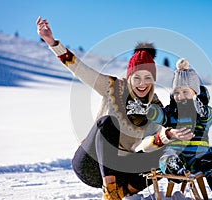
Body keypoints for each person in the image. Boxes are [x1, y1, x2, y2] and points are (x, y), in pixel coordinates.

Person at [36, 16, 194, 200]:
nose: (142, 84)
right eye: (137, 77)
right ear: (129, 77)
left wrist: (168, 136)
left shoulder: (155, 107)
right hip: (90, 162)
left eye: (147, 78)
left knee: (163, 155)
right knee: (108, 122)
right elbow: (81, 70)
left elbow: (148, 143)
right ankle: (111, 192)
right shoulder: (113, 87)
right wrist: (53, 43)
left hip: (122, 167)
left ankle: (124, 191)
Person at [146, 58, 212, 200]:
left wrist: (203, 111)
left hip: (200, 156)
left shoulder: (202, 113)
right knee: (166, 157)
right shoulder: (171, 112)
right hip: (177, 153)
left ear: (195, 93)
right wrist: (148, 110)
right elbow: (159, 115)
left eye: (185, 92)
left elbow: (210, 118)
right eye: (176, 92)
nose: (180, 96)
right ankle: (175, 168)